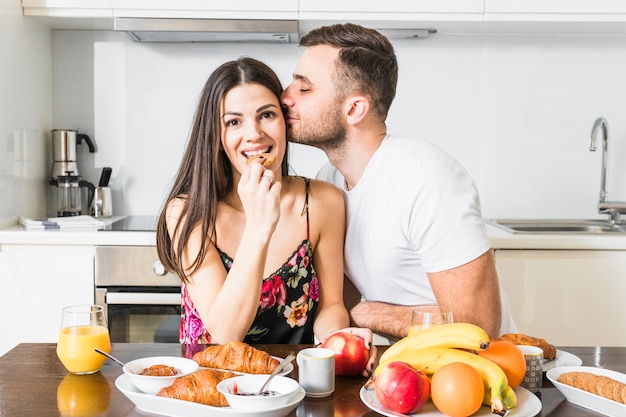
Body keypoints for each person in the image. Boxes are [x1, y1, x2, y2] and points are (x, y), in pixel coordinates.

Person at [281, 23, 517, 340]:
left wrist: (367, 313)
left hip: (474, 375)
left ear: (354, 109)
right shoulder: (330, 180)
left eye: (304, 89)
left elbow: (477, 326)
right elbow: (338, 303)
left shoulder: (427, 178)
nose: (285, 98)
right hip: (404, 369)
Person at [155, 57, 375, 371]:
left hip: (290, 386)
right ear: (216, 138)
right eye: (233, 122)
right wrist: (260, 226)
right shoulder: (187, 213)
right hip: (209, 388)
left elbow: (331, 305)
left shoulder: (323, 202)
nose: (254, 134)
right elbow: (225, 334)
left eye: (267, 115)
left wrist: (337, 341)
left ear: (285, 122)